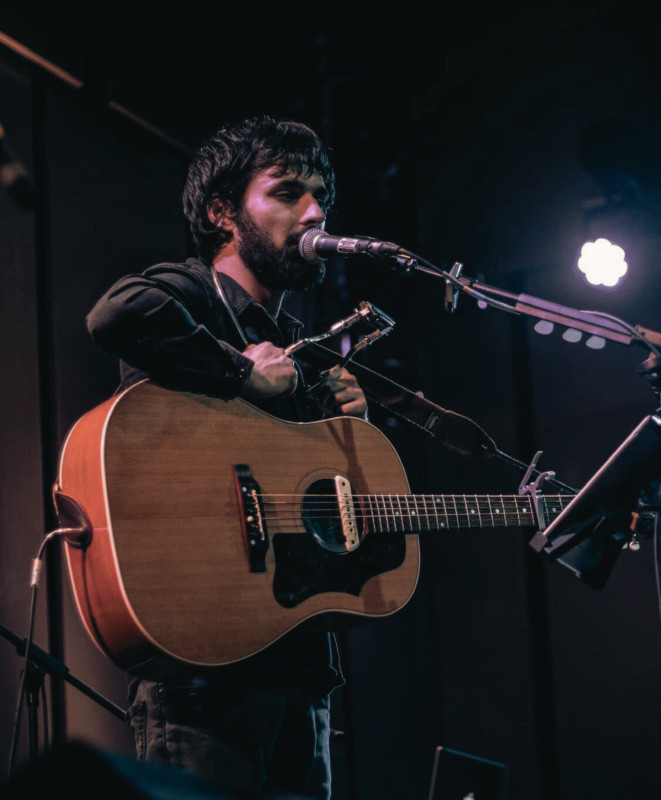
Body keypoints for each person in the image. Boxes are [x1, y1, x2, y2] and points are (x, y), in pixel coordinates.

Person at [85, 114, 369, 800]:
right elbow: (116, 314)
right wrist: (241, 373)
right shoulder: (189, 295)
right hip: (202, 674)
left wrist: (348, 438)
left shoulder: (301, 346)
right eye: (288, 192)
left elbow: (311, 518)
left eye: (321, 195)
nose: (314, 212)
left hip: (298, 672)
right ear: (222, 212)